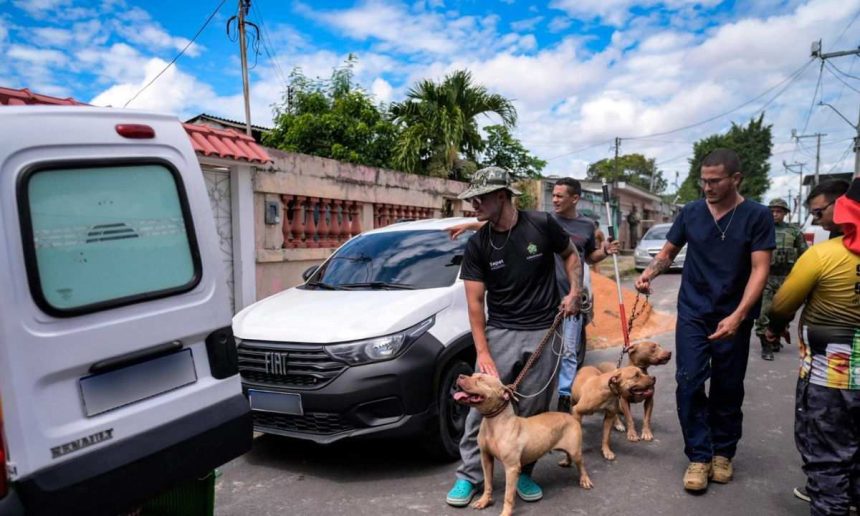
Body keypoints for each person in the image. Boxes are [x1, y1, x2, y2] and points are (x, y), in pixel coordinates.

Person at [634, 148, 774, 492]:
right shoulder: (692, 213)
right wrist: (649, 273)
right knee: (690, 381)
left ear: (735, 179)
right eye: (703, 180)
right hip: (695, 313)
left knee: (728, 385)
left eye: (715, 181)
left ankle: (723, 452)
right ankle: (699, 456)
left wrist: (739, 315)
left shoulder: (756, 215)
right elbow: (667, 253)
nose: (707, 187)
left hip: (734, 315)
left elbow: (760, 270)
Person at [445, 167, 582, 508]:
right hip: (501, 332)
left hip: (544, 330)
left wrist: (575, 291)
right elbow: (475, 304)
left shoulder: (542, 225)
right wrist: (484, 353)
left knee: (532, 408)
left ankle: (522, 470)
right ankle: (469, 476)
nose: (474, 203)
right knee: (481, 405)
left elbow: (570, 256)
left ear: (502, 196)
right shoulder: (479, 244)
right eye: (472, 198)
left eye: (481, 197)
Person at [764, 176, 859, 516]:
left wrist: (774, 329)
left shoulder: (823, 255)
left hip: (832, 379)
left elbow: (781, 305)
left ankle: (832, 504)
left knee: (828, 455)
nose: (817, 220)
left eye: (819, 213)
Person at [550, 178, 620, 413]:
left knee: (569, 351)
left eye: (560, 195)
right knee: (543, 353)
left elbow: (589, 257)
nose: (554, 199)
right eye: (554, 194)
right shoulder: (546, 222)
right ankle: (538, 400)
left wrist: (605, 251)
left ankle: (564, 398)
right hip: (543, 299)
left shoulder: (586, 226)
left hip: (572, 297)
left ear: (574, 198)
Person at [754, 198, 807, 360]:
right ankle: (766, 345)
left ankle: (776, 335)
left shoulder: (794, 231)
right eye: (772, 211)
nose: (775, 214)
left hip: (787, 277)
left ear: (785, 213)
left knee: (785, 312)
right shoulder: (761, 230)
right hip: (766, 277)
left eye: (779, 211)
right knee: (764, 312)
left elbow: (805, 253)